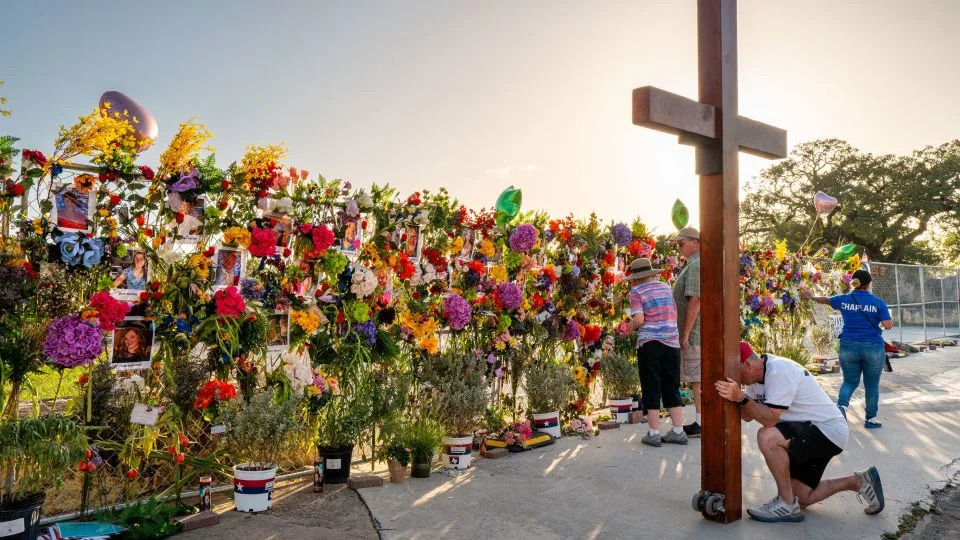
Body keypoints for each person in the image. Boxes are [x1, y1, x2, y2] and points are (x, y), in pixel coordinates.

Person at [715, 341, 884, 523]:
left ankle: (785, 504)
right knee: (801, 497)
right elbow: (748, 415)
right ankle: (859, 481)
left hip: (827, 430)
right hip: (812, 432)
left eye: (737, 374)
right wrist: (729, 395)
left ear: (747, 364)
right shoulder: (755, 383)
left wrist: (741, 398)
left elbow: (770, 419)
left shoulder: (779, 371)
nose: (738, 380)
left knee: (767, 436)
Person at [807, 269, 893, 428]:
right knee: (872, 385)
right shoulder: (878, 302)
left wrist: (811, 296)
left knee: (849, 382)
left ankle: (841, 407)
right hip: (873, 346)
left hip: (848, 346)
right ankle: (870, 419)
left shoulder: (844, 299)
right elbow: (888, 326)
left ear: (853, 282)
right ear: (869, 284)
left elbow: (825, 300)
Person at [624, 258, 687, 447]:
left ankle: (654, 433)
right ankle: (678, 431)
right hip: (671, 342)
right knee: (671, 385)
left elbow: (639, 320)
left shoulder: (636, 291)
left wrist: (628, 327)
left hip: (651, 343)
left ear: (635, 278)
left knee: (651, 386)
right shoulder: (666, 287)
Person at [671, 226, 702, 437]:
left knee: (697, 379)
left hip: (694, 332)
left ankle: (701, 422)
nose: (679, 247)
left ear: (695, 242)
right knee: (696, 379)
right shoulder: (693, 263)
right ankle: (700, 420)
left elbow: (695, 300)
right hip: (693, 331)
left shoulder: (696, 264)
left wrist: (685, 333)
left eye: (682, 243)